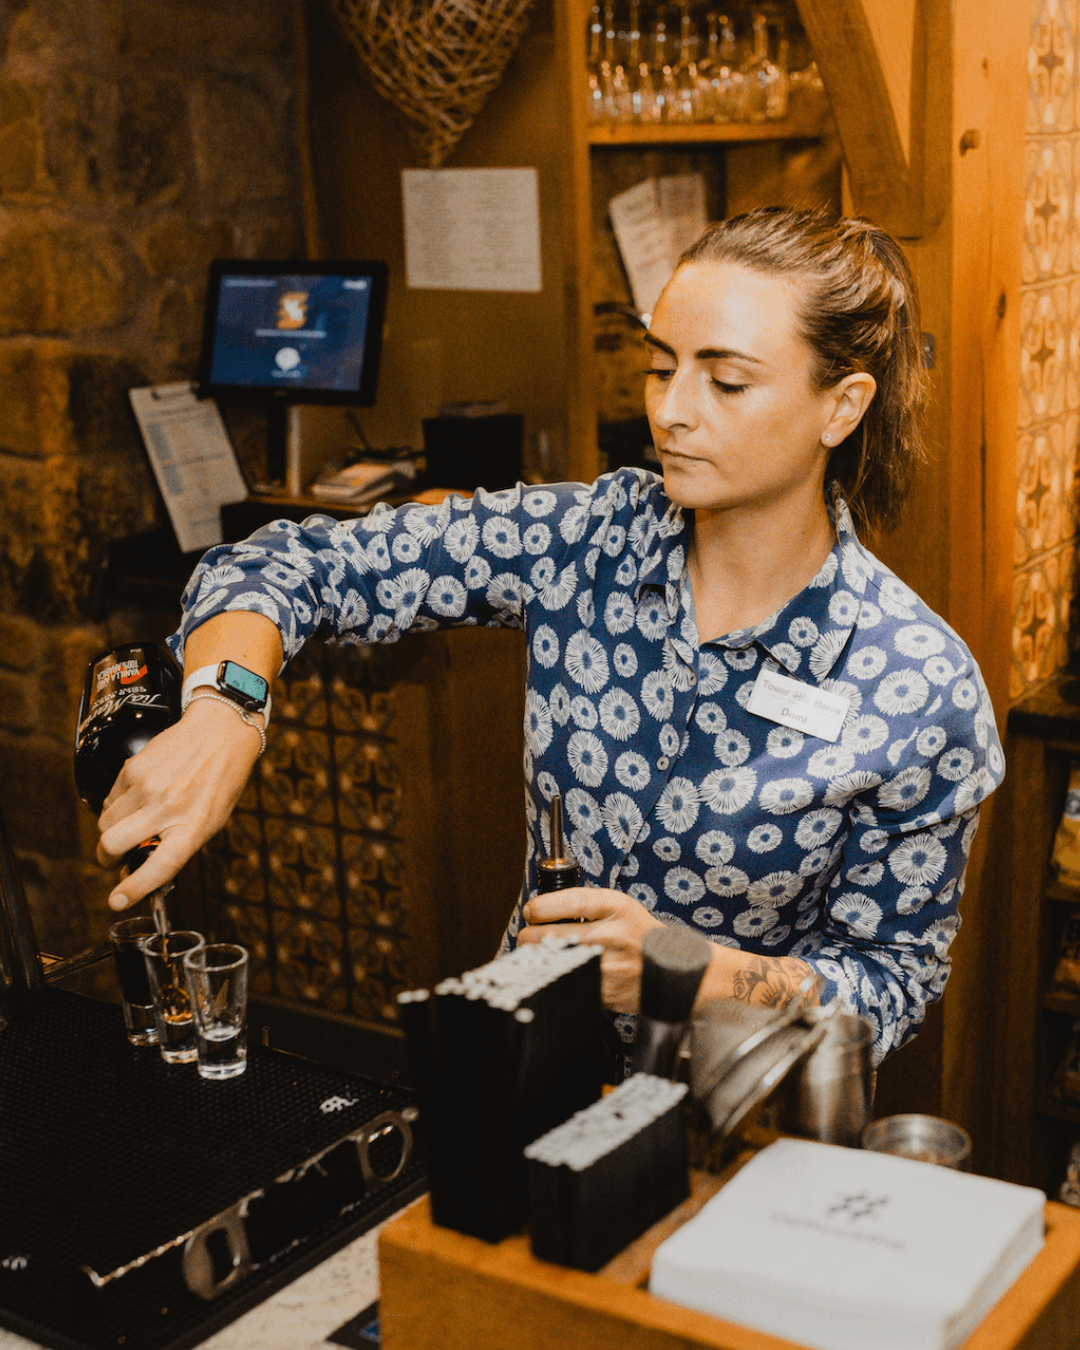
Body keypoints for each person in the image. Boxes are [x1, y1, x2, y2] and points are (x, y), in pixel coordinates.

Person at [96, 207, 1003, 1065]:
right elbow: (288, 564)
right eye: (661, 367)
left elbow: (891, 987)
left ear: (841, 407)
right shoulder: (585, 541)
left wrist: (691, 973)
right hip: (530, 1069)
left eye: (725, 380)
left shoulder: (917, 685)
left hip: (742, 1125)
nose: (673, 411)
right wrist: (225, 711)